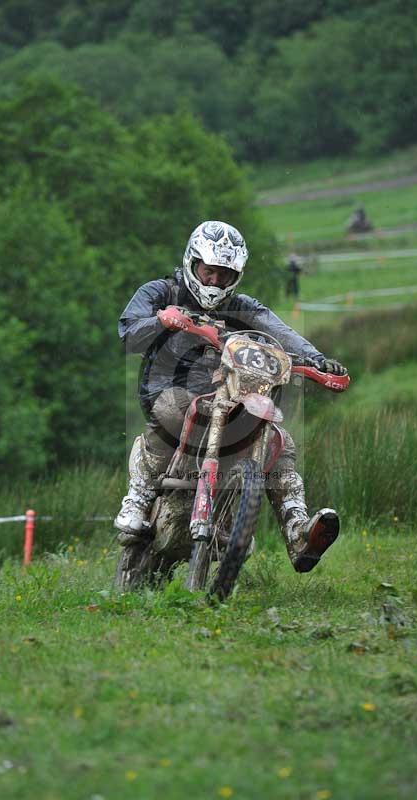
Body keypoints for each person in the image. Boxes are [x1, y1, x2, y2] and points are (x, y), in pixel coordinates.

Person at [114, 220, 348, 573]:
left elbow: (279, 331)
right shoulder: (161, 292)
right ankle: (139, 494)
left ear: (235, 276)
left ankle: (297, 528)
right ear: (192, 263)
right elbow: (128, 334)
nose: (214, 281)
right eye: (208, 272)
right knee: (175, 408)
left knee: (279, 440)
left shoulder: (242, 306)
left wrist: (316, 360)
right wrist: (162, 321)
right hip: (168, 389)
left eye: (223, 275)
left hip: (231, 396)